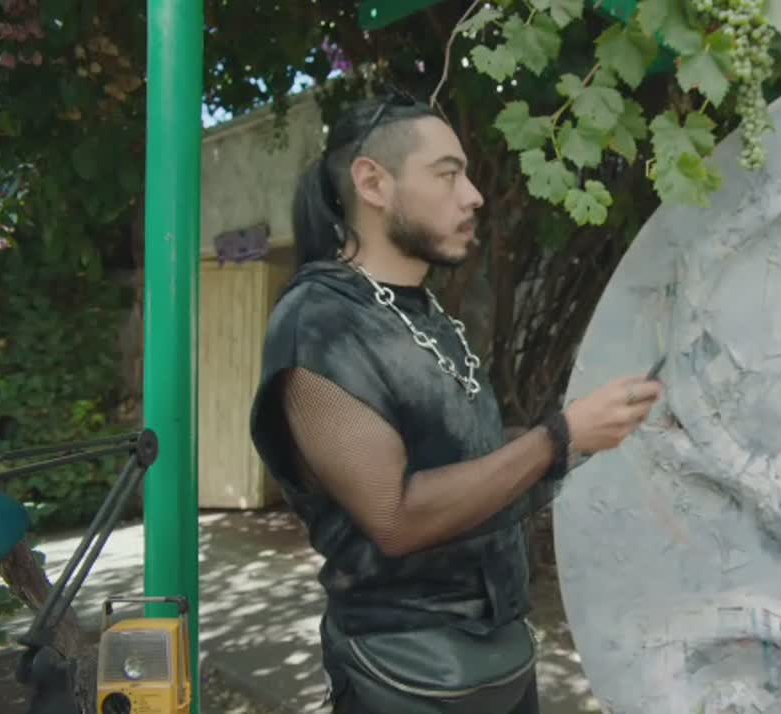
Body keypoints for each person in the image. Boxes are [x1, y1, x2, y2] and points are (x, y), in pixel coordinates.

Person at [248, 86, 664, 714]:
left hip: (498, 652)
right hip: (408, 675)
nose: (473, 195)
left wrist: (594, 430)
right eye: (447, 175)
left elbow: (471, 459)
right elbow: (395, 518)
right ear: (373, 183)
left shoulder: (425, 314)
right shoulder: (319, 324)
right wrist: (559, 438)